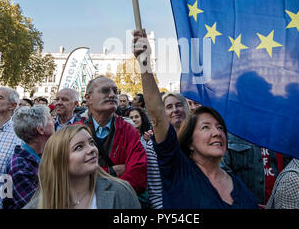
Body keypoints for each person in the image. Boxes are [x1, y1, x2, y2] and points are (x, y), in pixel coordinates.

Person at [133, 29, 258, 209]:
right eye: (206, 127)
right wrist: (144, 62)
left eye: (220, 128)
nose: (216, 132)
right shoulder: (179, 169)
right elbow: (157, 115)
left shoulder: (241, 189)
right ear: (190, 141)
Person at [24, 124, 140, 209]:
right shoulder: (38, 205)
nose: (92, 149)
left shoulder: (121, 191)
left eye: (91, 142)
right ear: (59, 160)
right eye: (79, 147)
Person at [75, 76, 147, 196]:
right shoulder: (75, 131)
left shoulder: (129, 131)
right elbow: (69, 175)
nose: (113, 95)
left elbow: (138, 179)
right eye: (105, 90)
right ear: (88, 98)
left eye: (115, 91)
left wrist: (91, 180)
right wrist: (112, 171)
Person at [2, 105, 54, 209]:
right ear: (40, 129)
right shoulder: (20, 166)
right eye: (49, 119)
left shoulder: (42, 156)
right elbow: (36, 204)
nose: (54, 121)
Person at [128, 106, 163, 209]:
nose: (134, 120)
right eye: (131, 117)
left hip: (152, 180)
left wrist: (151, 140)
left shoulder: (150, 134)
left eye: (136, 117)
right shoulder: (126, 137)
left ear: (142, 118)